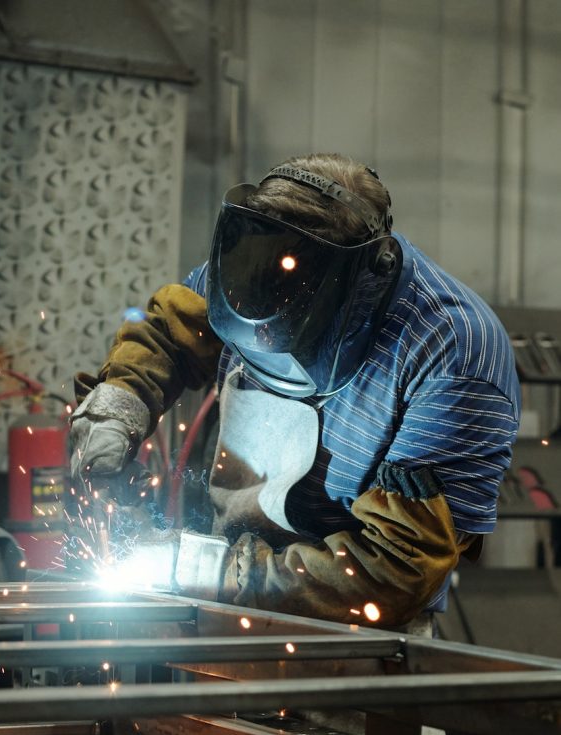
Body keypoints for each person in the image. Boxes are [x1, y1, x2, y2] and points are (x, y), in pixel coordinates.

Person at [69, 153, 521, 632]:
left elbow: (398, 567)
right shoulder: (258, 263)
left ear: (364, 281)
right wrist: (116, 408)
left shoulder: (453, 354)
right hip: (219, 598)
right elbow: (169, 334)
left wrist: (209, 572)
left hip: (353, 633)